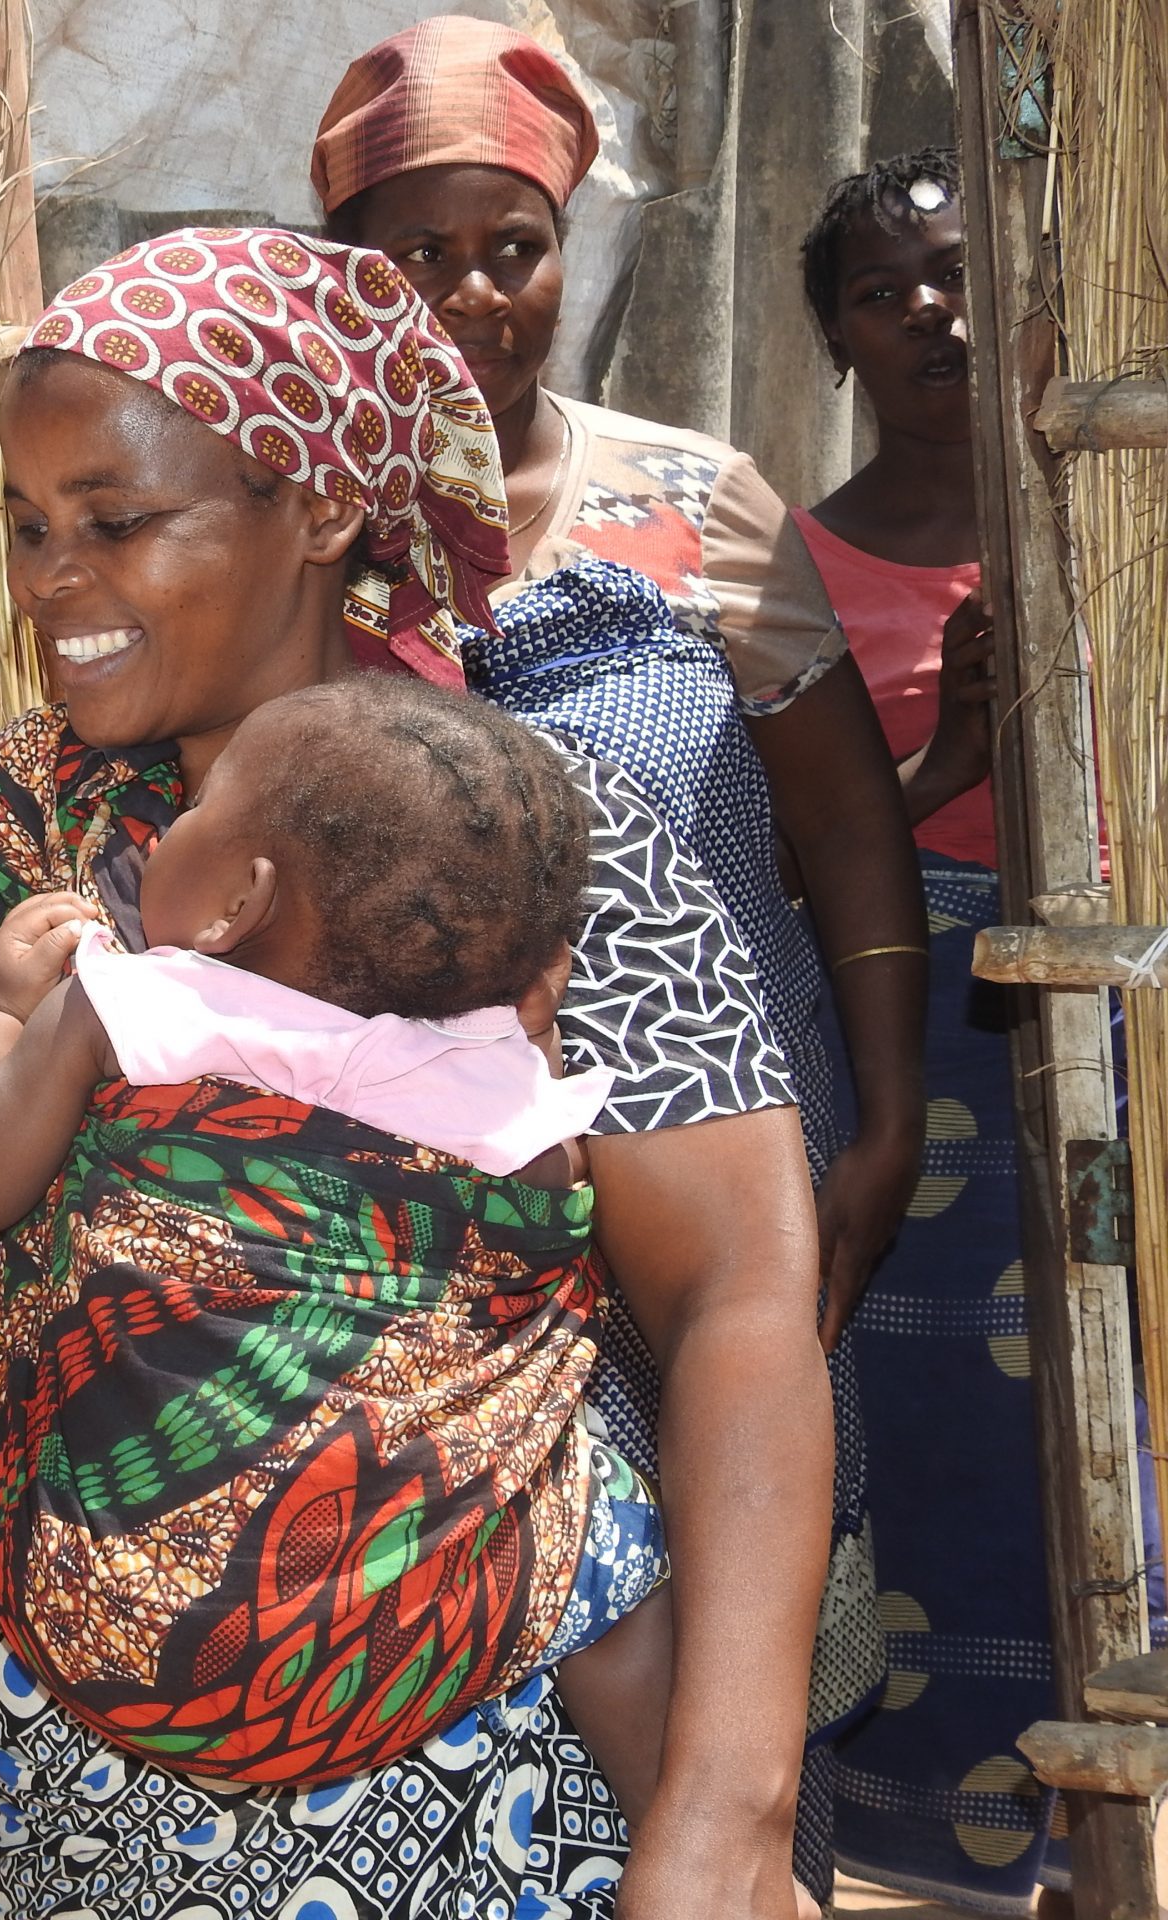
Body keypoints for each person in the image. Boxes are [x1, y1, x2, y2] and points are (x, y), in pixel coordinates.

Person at [0, 225, 831, 1919]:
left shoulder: (519, 843)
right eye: (30, 527)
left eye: (119, 525)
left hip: (461, 1742)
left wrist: (726, 1817)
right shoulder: (44, 834)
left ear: (321, 509)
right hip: (108, 1748)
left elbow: (742, 1296)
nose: (56, 581)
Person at [311, 21, 931, 1891]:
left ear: (567, 250)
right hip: (464, 1219)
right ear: (348, 267)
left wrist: (887, 1118)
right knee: (518, 1618)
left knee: (748, 1595)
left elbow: (843, 827)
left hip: (729, 1166)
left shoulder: (697, 503)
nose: (469, 298)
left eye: (512, 246)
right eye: (413, 253)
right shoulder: (298, 527)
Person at [0, 678, 694, 1827]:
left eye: (195, 817)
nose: (168, 833)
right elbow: (538, 1260)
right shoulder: (512, 1095)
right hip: (396, 1643)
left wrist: (0, 1011)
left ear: (235, 902)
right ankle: (681, 1819)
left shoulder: (133, 1010)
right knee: (592, 1510)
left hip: (123, 1623)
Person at [794, 149, 1060, 1910]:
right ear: (838, 341)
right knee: (920, 1443)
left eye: (956, 272)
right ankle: (909, 1845)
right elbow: (787, 864)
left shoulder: (1107, 506)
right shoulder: (790, 568)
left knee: (1101, 1437)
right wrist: (955, 763)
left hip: (1100, 1040)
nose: (930, 312)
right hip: (907, 1049)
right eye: (884, 292)